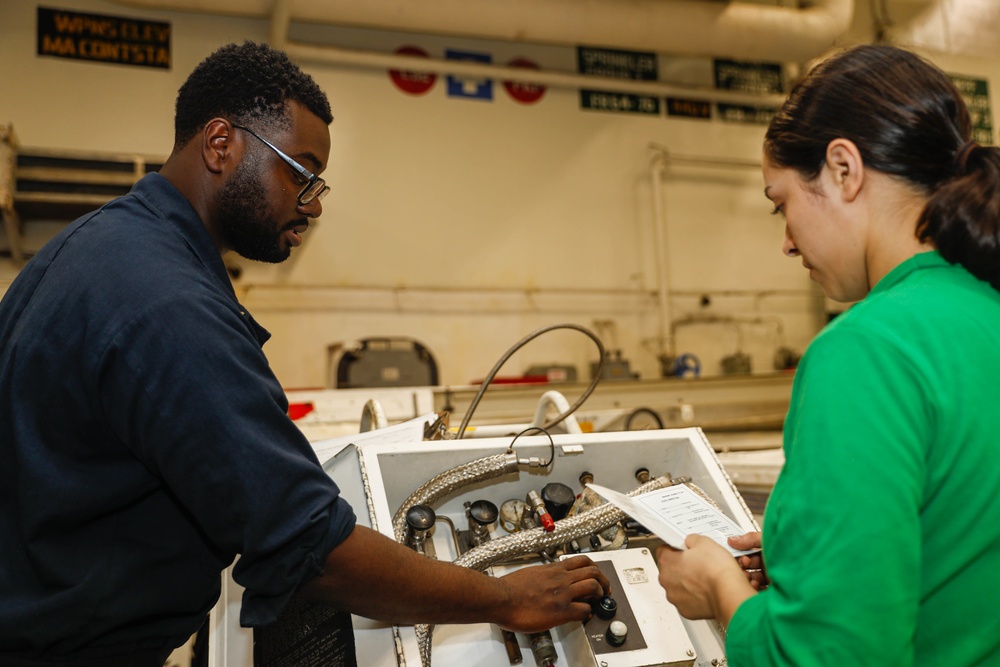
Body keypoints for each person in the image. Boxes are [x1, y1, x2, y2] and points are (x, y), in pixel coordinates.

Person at [0, 41, 609, 666]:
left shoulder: (96, 247)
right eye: (300, 171)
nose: (313, 204)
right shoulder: (165, 303)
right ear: (220, 144)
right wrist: (503, 599)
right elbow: (313, 549)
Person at [656, 43, 1000, 665]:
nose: (787, 242)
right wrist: (808, 551)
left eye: (781, 202)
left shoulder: (866, 350)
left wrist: (720, 589)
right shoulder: (983, 309)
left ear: (844, 169)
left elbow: (832, 654)